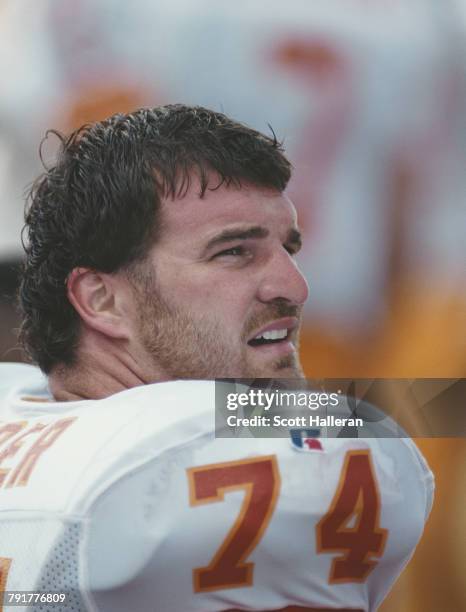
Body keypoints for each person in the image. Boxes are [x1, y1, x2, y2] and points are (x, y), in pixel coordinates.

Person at [0, 105, 433, 612]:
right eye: (233, 252)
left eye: (289, 248)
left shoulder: (20, 400)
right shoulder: (176, 463)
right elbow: (370, 421)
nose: (294, 286)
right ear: (102, 300)